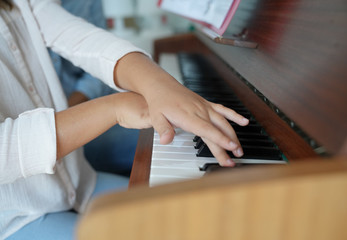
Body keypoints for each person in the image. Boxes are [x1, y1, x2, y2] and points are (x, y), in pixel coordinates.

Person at [0, 0, 249, 239]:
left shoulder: (21, 3)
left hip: (81, 183)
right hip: (17, 219)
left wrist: (160, 87)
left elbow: (85, 41)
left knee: (194, 214)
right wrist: (115, 107)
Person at [48, 0, 138, 176]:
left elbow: (103, 55)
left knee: (161, 131)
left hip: (92, 107)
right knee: (157, 139)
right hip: (55, 139)